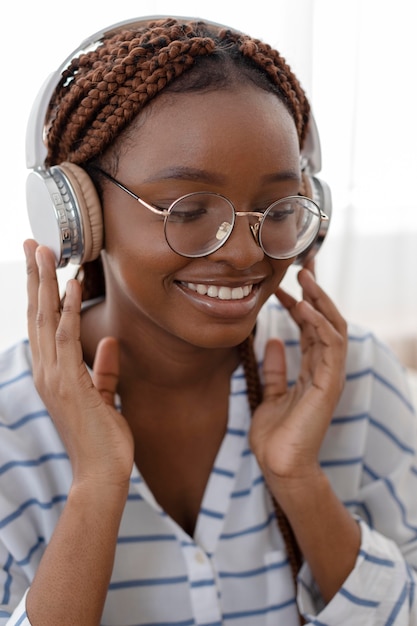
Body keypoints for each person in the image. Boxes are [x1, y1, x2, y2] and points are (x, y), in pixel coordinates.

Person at [0, 15, 416, 626]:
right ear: (79, 216)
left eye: (277, 207)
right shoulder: (10, 428)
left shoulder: (359, 379)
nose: (247, 253)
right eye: (189, 209)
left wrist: (299, 482)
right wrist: (94, 490)